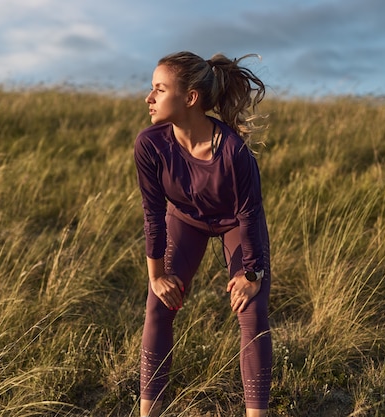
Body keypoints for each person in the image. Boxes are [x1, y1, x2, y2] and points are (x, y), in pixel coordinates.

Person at [134, 51, 272, 417]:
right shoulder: (149, 144)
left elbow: (250, 216)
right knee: (158, 304)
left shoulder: (233, 151)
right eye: (152, 89)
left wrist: (252, 274)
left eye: (159, 90)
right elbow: (153, 215)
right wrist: (157, 276)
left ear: (190, 98)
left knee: (252, 311)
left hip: (234, 226)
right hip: (185, 221)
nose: (149, 98)